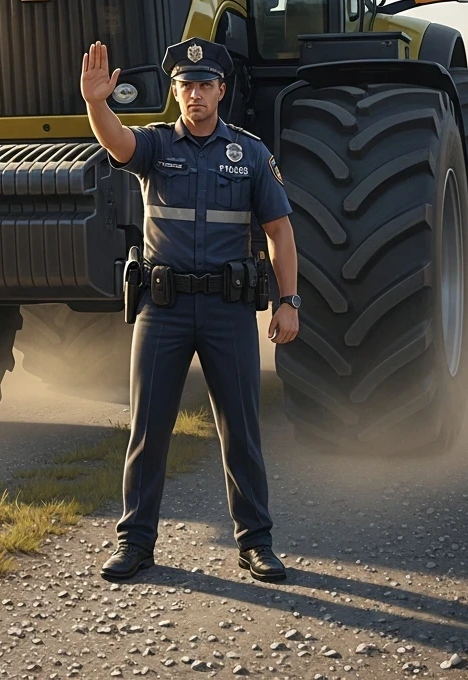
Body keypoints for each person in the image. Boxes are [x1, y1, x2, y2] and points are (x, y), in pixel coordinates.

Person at [81, 36, 301, 583]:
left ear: (221, 90)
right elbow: (118, 144)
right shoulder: (156, 146)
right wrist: (96, 104)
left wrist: (288, 300)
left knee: (241, 432)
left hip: (227, 311)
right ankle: (135, 543)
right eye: (186, 84)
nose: (195, 94)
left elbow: (279, 232)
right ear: (175, 90)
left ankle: (256, 544)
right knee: (149, 429)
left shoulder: (250, 153)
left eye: (205, 85)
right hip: (164, 308)